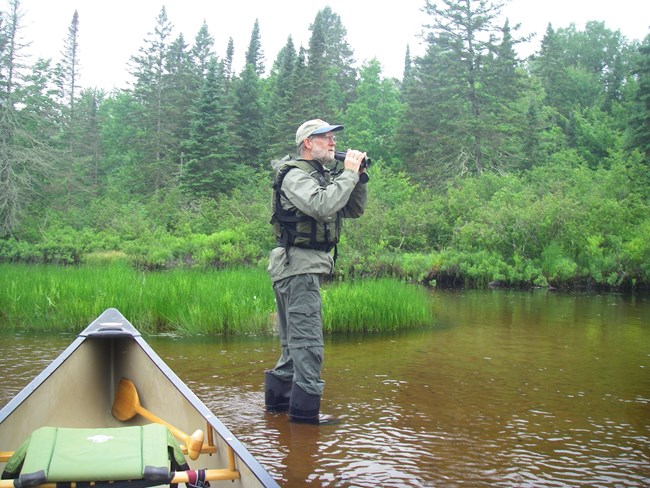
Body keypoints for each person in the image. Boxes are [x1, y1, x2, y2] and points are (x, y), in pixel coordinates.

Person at [264, 119, 368, 425]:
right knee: (308, 347)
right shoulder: (295, 175)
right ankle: (305, 422)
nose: (334, 142)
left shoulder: (320, 176)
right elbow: (322, 206)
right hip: (298, 269)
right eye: (326, 137)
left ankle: (277, 414)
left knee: (292, 350)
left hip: (298, 268)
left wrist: (358, 178)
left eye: (334, 137)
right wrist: (347, 173)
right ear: (308, 142)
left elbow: (351, 210)